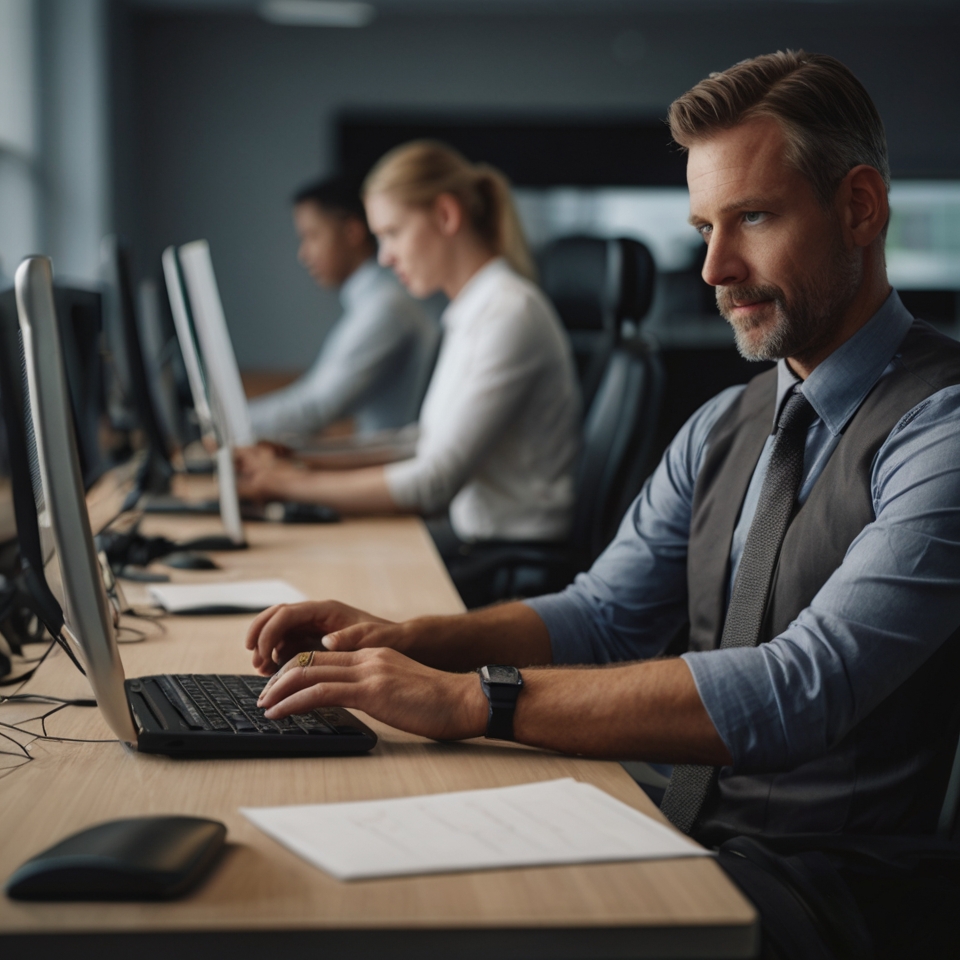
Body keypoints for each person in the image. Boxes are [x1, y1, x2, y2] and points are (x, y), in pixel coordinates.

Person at [244, 53, 960, 957]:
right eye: (703, 226)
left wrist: (474, 700)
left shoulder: (943, 428)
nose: (712, 267)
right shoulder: (723, 423)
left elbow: (799, 689)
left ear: (860, 206)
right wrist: (403, 640)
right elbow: (605, 615)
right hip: (684, 817)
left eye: (754, 218)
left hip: (838, 881)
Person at [238, 142, 580, 545]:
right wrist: (296, 457)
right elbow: (423, 441)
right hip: (472, 541)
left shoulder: (510, 314)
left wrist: (283, 486)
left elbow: (434, 483)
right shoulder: (474, 309)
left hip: (503, 556)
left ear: (446, 215)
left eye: (392, 233)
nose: (383, 257)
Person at [247, 175, 437, 445]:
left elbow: (314, 408)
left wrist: (221, 424)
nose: (304, 254)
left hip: (385, 470)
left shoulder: (387, 308)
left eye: (312, 236)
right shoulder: (378, 301)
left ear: (352, 232)